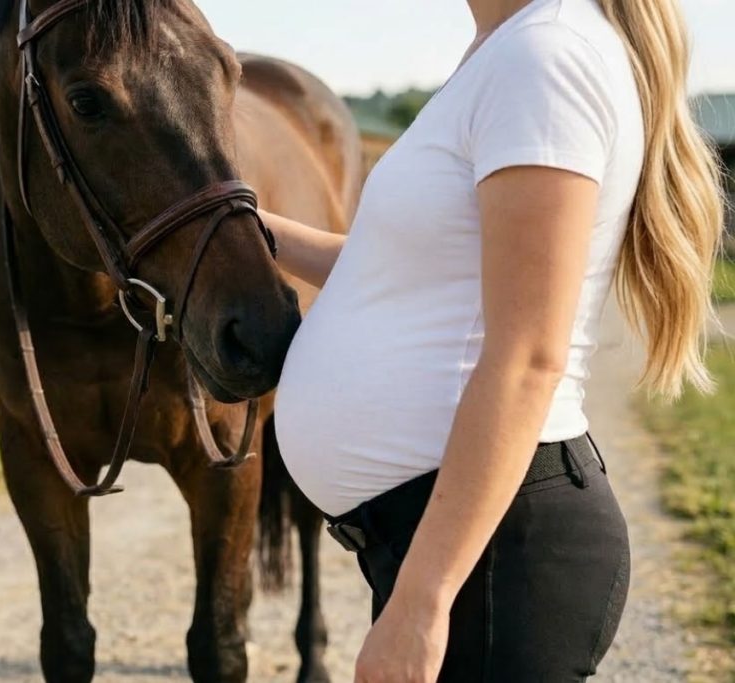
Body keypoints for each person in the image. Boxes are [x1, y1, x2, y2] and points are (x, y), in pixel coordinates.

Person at [265, 0, 725, 680]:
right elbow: (387, 269)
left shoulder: (545, 58)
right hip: (460, 543)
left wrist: (424, 599)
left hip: (497, 557)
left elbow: (529, 357)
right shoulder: (506, 51)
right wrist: (235, 218)